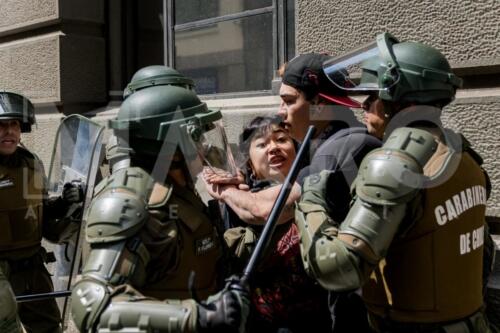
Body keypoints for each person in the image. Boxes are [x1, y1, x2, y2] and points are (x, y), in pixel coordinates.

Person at [296, 32, 497, 332]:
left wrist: (310, 200)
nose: (364, 106)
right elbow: (482, 254)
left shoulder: (394, 165)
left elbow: (338, 270)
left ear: (396, 98)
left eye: (372, 96)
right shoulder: (466, 158)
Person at [204, 53, 381, 332]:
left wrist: (222, 189)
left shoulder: (347, 145)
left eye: (288, 101)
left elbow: (266, 211)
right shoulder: (322, 145)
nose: (281, 112)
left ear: (319, 104)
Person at [70, 65, 249, 333]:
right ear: (174, 146)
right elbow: (92, 305)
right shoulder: (131, 202)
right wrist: (197, 317)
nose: (205, 147)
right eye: (198, 137)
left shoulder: (176, 188)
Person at [204, 115, 331, 332]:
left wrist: (227, 192)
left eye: (281, 139)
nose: (273, 148)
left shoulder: (313, 189)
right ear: (250, 165)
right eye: (261, 144)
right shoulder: (232, 207)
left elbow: (263, 210)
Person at [0, 91, 84, 333]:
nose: (9, 131)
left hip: (32, 266)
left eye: (14, 124)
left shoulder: (31, 163)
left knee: (49, 327)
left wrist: (66, 203)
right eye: (2, 125)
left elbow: (39, 211)